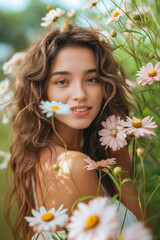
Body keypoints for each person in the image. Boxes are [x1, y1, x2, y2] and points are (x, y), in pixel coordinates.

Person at [6, 24, 143, 240]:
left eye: (91, 79)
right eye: (62, 81)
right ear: (41, 90)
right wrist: (123, 172)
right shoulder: (74, 167)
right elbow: (140, 235)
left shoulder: (38, 156)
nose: (79, 94)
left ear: (105, 85)